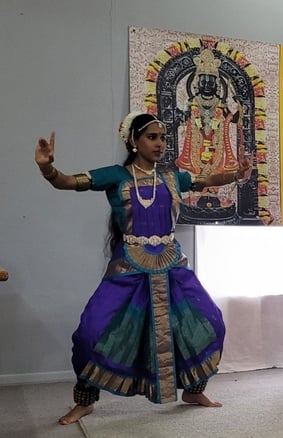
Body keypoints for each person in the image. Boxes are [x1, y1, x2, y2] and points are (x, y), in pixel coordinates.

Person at [35, 112, 251, 424]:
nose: (160, 143)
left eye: (163, 137)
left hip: (172, 266)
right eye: (152, 137)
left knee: (210, 324)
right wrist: (47, 168)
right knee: (90, 333)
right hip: (128, 268)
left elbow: (208, 180)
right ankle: (85, 400)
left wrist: (238, 174)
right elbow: (67, 182)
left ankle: (193, 389)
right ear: (133, 141)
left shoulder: (173, 177)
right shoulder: (115, 176)